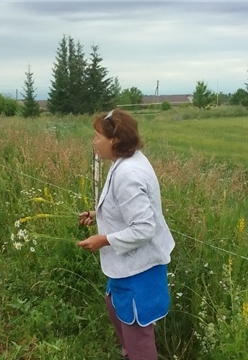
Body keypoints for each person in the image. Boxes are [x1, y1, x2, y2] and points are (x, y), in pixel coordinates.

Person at [77, 109, 175, 360]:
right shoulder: (128, 162)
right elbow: (126, 209)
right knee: (115, 307)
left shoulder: (128, 174)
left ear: (115, 140)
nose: (94, 141)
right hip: (129, 267)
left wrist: (104, 239)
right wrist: (97, 214)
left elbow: (143, 227)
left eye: (97, 136)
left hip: (138, 271)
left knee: (138, 335)